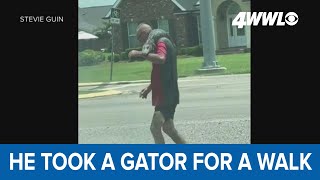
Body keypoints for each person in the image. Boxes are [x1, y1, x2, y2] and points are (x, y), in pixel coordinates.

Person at [128, 23, 186, 144]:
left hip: (167, 94)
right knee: (169, 129)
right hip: (167, 93)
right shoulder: (158, 43)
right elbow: (161, 72)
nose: (141, 42)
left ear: (144, 33)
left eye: (139, 38)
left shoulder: (161, 42)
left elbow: (161, 58)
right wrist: (149, 88)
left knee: (155, 128)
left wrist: (138, 53)